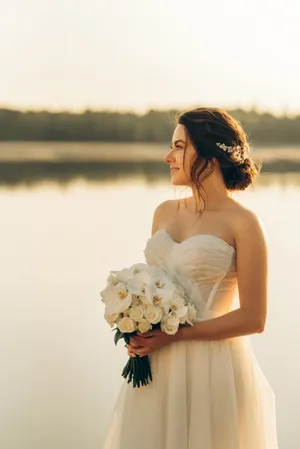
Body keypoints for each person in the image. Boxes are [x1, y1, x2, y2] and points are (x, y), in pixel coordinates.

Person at [102, 107, 279, 449]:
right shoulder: (164, 213)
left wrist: (178, 336)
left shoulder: (244, 223)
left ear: (210, 155)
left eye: (179, 147)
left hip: (214, 368)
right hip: (157, 363)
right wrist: (137, 325)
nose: (168, 156)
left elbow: (254, 318)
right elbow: (154, 286)